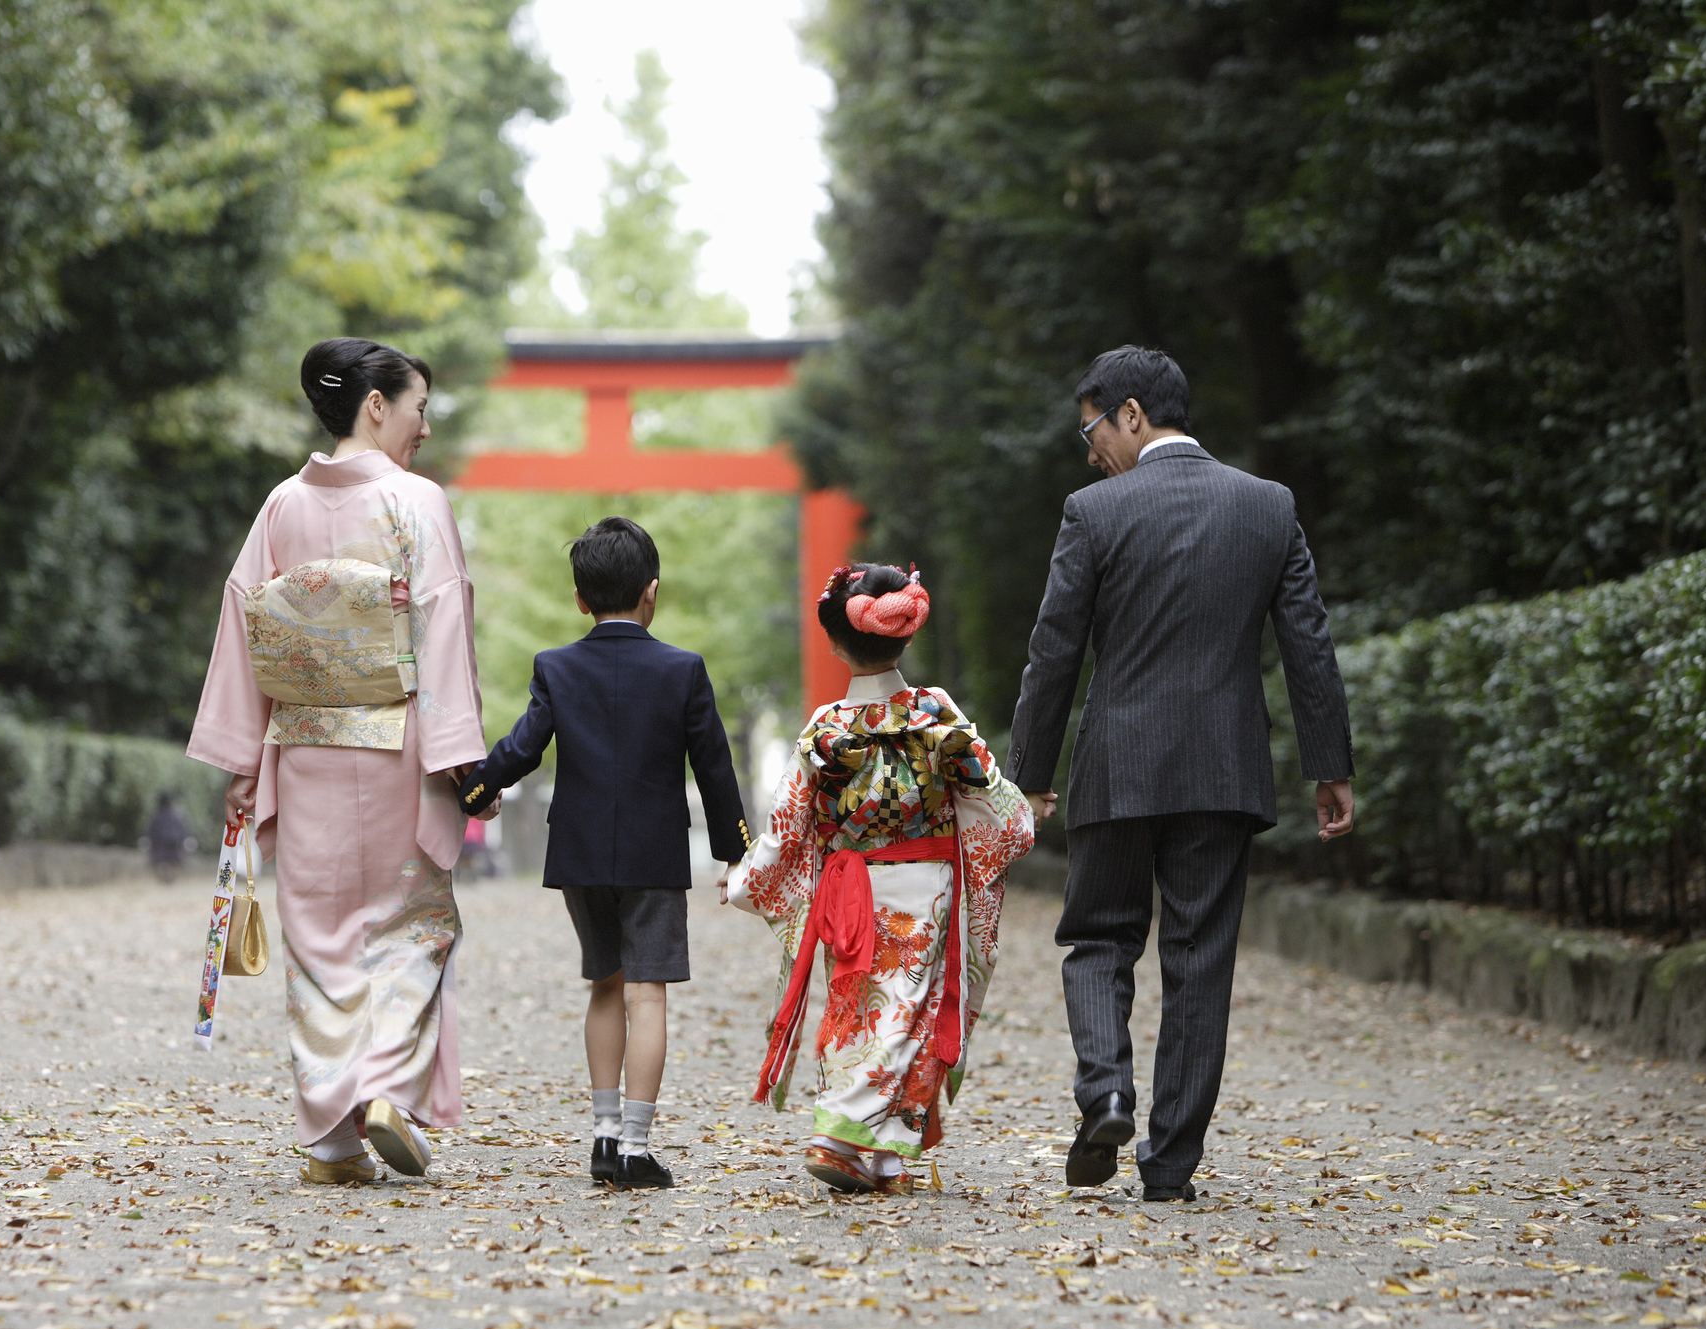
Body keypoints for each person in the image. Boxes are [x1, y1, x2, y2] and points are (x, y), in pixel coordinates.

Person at [1007, 344, 1355, 1204]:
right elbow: (1305, 640)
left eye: (1091, 427)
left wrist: (1031, 772)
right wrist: (1329, 764)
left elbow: (1054, 651)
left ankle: (1107, 1092)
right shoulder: (1266, 506)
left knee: (1097, 939)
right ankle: (1169, 1170)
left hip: (1117, 769)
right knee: (1201, 961)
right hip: (1223, 769)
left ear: (1131, 414)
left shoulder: (1093, 512)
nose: (1087, 450)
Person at [188, 337, 486, 1186]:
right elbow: (441, 625)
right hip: (396, 745)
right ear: (377, 405)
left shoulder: (280, 505)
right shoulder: (415, 503)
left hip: (304, 745)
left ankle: (331, 1137)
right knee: (408, 921)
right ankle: (389, 1085)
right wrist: (462, 760)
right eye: (419, 407)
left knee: (319, 934)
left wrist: (244, 765)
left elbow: (242, 627)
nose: (424, 427)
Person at [457, 517, 748, 1190]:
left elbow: (522, 747)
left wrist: (475, 791)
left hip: (581, 853)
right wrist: (736, 855)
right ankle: (638, 1149)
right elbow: (713, 769)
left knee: (605, 985)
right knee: (648, 993)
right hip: (653, 854)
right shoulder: (682, 670)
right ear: (652, 593)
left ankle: (603, 1135)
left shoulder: (555, 668)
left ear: (580, 599)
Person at [728, 564, 1035, 1195]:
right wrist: (1021, 817)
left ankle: (884, 1158)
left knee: (859, 1006)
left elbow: (787, 821)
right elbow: (990, 798)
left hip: (852, 885)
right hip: (926, 884)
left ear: (836, 642)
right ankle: (841, 1134)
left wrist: (745, 878)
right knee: (910, 1013)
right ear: (905, 636)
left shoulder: (827, 727)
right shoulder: (935, 713)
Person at [145, 792, 191, 882]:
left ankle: (165, 876)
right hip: (176, 847)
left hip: (160, 848)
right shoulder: (178, 816)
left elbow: (151, 832)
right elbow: (183, 831)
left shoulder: (156, 816)